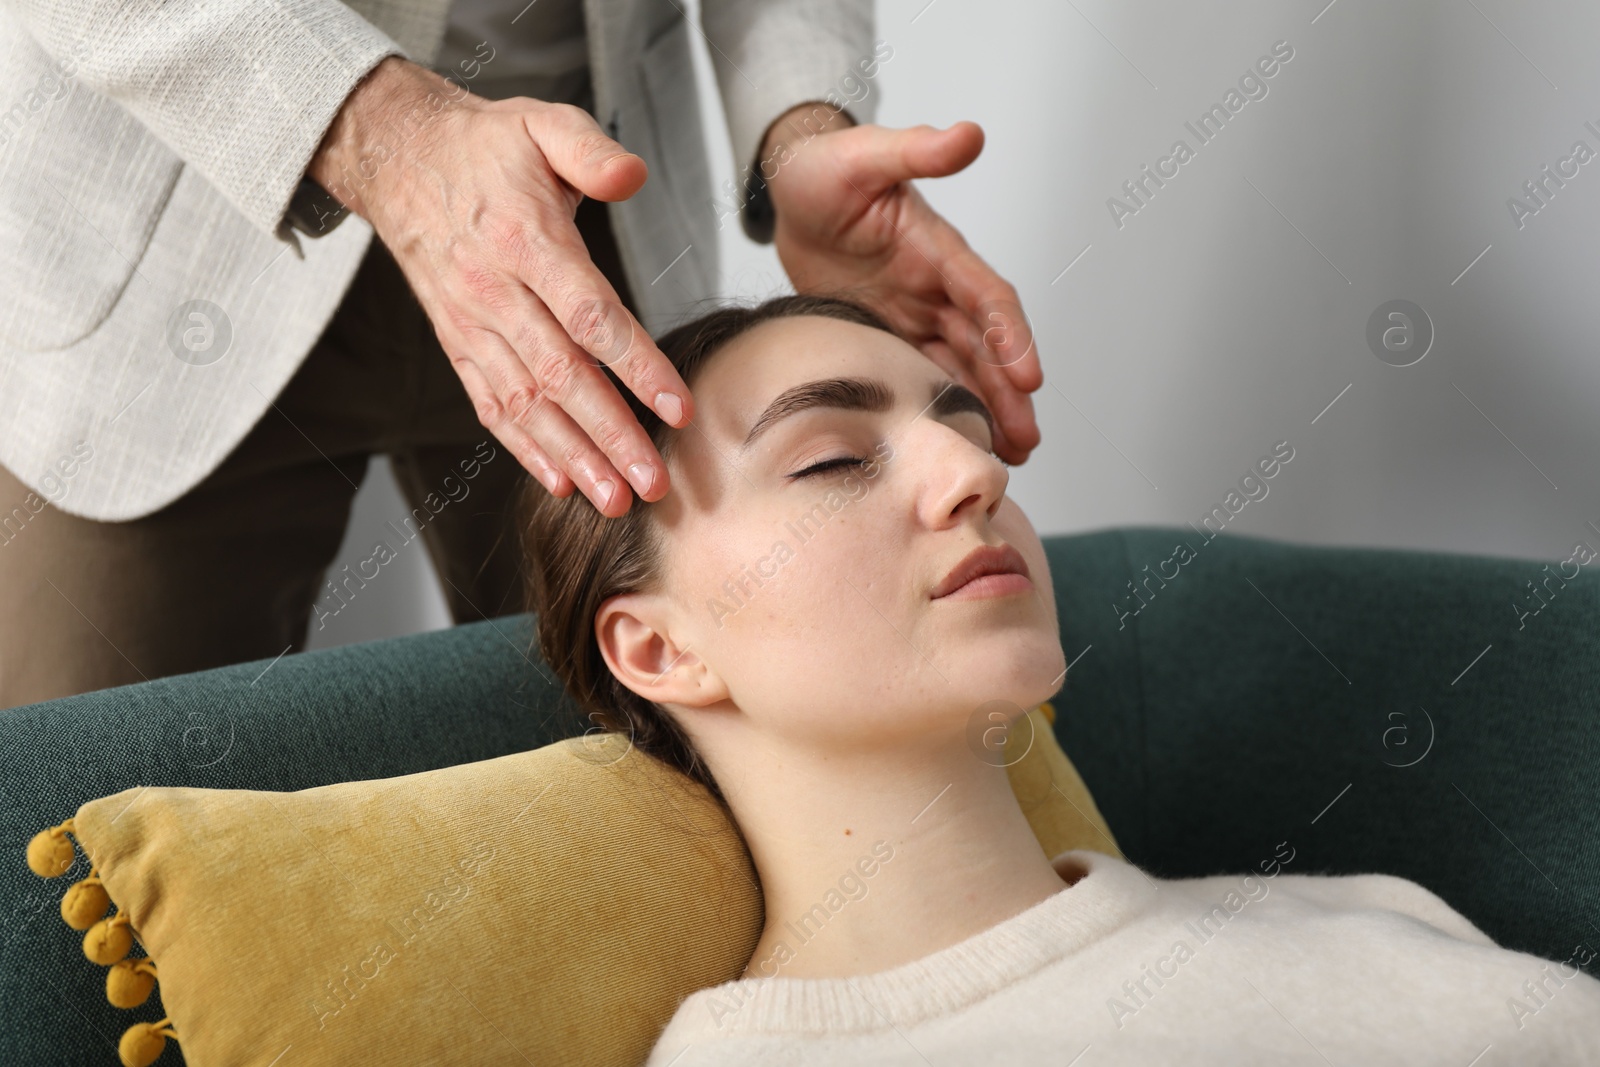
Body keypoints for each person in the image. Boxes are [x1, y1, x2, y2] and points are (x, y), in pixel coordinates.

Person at [518, 294, 1600, 1065]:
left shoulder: (1366, 918)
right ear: (659, 649)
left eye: (968, 431)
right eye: (832, 458)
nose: (976, 473)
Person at [0, 0, 1041, 709]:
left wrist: (797, 125)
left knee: (655, 789)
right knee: (76, 836)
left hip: (590, 231)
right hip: (174, 235)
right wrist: (387, 135)